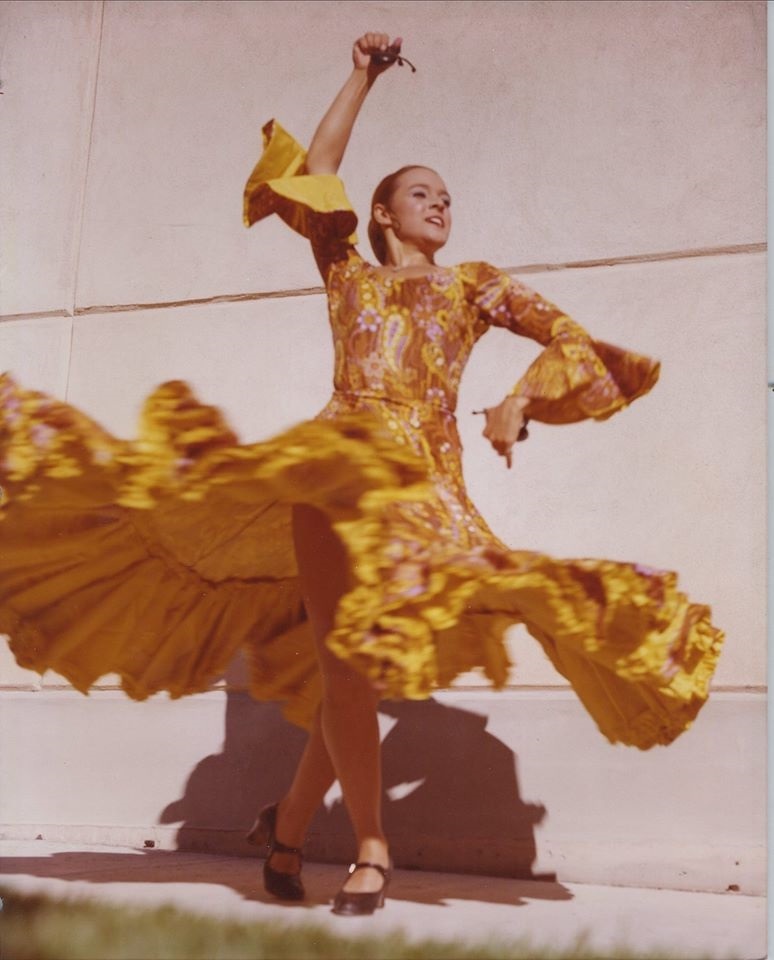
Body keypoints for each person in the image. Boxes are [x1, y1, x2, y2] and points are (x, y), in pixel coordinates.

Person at [0, 33, 723, 917]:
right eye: (421, 194)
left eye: (448, 198)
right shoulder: (346, 272)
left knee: (364, 665)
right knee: (347, 664)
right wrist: (362, 74)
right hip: (334, 470)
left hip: (429, 490)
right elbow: (319, 168)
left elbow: (570, 340)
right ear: (383, 216)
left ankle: (290, 825)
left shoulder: (475, 286)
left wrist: (520, 403)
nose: (440, 206)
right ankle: (372, 849)